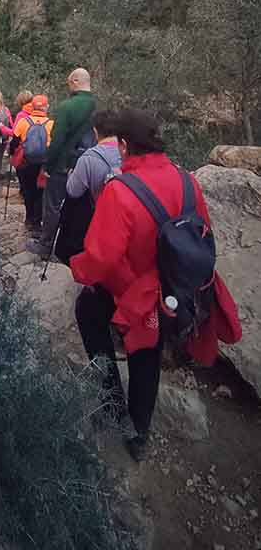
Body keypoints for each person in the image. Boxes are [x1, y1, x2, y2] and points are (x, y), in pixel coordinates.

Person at [70, 108, 241, 462]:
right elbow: (202, 233)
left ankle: (112, 403)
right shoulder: (187, 180)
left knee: (87, 311)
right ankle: (140, 434)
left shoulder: (119, 191)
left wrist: (77, 268)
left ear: (125, 145)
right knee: (147, 355)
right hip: (172, 291)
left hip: (132, 291)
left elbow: (101, 260)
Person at [27, 67, 96, 258]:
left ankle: (45, 246)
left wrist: (48, 165)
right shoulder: (97, 106)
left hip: (62, 166)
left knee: (52, 206)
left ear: (75, 81)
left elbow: (57, 140)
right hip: (86, 165)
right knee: (75, 208)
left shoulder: (67, 107)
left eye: (69, 82)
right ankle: (68, 246)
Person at [55, 110, 121, 264]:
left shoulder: (89, 157)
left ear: (95, 131)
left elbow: (73, 191)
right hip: (123, 219)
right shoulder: (128, 152)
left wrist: (71, 173)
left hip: (96, 217)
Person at [10, 94, 54, 234]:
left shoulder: (24, 121)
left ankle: (28, 219)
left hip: (25, 163)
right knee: (40, 193)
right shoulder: (51, 124)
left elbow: (14, 142)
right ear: (46, 107)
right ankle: (37, 222)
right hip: (43, 164)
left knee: (28, 191)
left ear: (33, 106)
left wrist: (12, 154)